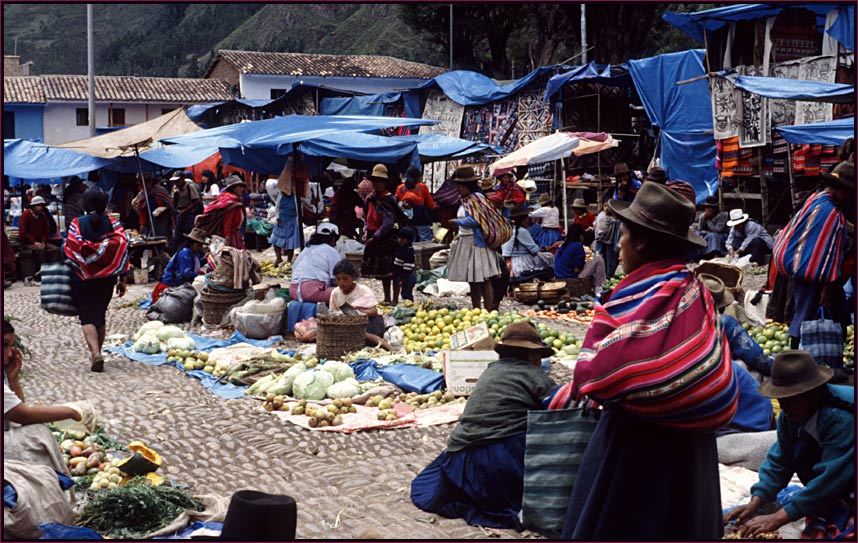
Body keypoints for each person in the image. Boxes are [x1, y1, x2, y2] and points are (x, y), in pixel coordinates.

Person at [551, 182, 738, 539]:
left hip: (636, 448)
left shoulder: (637, 295)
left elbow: (598, 372)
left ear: (641, 242)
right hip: (691, 451)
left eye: (623, 234)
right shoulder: (694, 289)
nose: (618, 244)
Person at [411, 321, 556, 528]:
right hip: (498, 466)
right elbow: (559, 411)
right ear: (533, 357)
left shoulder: (489, 372)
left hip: (459, 463)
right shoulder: (537, 378)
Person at [725, 351, 854, 539]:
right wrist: (757, 500)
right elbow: (780, 459)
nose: (784, 407)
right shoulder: (791, 414)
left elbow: (831, 476)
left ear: (812, 393)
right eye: (781, 399)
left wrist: (779, 517)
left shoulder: (839, 415)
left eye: (791, 400)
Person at [772, 160, 853, 351]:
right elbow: (828, 251)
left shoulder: (817, 199)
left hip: (803, 270)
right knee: (807, 315)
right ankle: (801, 357)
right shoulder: (830, 212)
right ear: (841, 190)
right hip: (814, 275)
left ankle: (803, 357)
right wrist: (827, 285)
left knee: (805, 312)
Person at [63, 188, 130, 372]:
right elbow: (123, 247)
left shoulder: (77, 224)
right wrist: (122, 279)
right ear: (104, 203)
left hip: (81, 278)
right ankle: (98, 352)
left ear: (84, 204)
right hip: (106, 279)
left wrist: (86, 261)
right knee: (99, 315)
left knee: (87, 317)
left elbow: (70, 247)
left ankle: (95, 354)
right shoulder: (114, 224)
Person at [699, 273, 774, 434]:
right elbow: (757, 359)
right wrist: (781, 369)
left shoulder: (684, 323)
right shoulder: (724, 322)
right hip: (732, 398)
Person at [447, 166, 504, 311]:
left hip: (477, 243)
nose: (458, 188)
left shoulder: (477, 198)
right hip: (466, 241)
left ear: (467, 185)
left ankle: (489, 309)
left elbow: (476, 220)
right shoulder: (465, 200)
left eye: (460, 185)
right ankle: (476, 308)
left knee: (483, 279)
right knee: (472, 280)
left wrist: (456, 222)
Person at [361, 164, 404, 305]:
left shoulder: (389, 199)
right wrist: (366, 231)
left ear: (385, 182)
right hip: (374, 235)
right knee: (384, 272)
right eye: (376, 181)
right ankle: (386, 297)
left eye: (381, 181)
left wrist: (376, 236)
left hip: (387, 237)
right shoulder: (370, 199)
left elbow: (388, 222)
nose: (378, 184)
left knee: (393, 270)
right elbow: (366, 217)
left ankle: (395, 299)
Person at [329, 259, 392, 350]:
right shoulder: (335, 293)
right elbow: (333, 312)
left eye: (345, 279)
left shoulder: (363, 290)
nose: (342, 283)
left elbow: (373, 311)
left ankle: (388, 347)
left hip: (370, 322)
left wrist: (357, 313)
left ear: (353, 277)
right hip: (348, 325)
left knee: (362, 335)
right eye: (338, 279)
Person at [151, 228, 207, 305]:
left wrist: (205, 259)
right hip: (170, 286)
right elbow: (186, 274)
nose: (200, 248)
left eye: (201, 246)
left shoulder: (193, 254)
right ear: (191, 243)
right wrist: (203, 277)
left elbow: (194, 265)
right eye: (198, 245)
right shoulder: (186, 252)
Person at [288, 222, 341, 304]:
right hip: (311, 292)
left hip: (293, 291)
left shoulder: (306, 249)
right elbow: (337, 278)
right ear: (333, 238)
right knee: (348, 292)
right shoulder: (331, 251)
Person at [195, 174, 247, 249]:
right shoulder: (232, 204)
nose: (242, 189)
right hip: (230, 236)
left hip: (221, 235)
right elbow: (228, 222)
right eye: (239, 187)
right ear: (233, 188)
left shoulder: (224, 199)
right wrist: (227, 239)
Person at [502, 205, 553, 281]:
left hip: (510, 263)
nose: (528, 221)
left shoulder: (508, 229)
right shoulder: (522, 231)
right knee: (550, 258)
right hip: (521, 263)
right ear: (521, 220)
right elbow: (534, 250)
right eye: (526, 218)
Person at [554, 225, 607, 291]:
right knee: (598, 259)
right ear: (581, 236)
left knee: (591, 262)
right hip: (572, 278)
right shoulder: (577, 245)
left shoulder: (562, 246)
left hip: (559, 277)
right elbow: (577, 269)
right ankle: (599, 289)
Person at [18, 195, 61, 270]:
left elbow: (45, 231)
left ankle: (53, 270)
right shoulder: (25, 215)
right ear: (33, 206)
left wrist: (43, 242)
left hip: (40, 242)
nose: (40, 207)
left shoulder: (43, 216)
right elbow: (23, 232)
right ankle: (41, 272)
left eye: (42, 205)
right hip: (27, 243)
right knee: (40, 251)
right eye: (38, 205)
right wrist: (34, 242)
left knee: (55, 249)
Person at [395, 167, 437, 242]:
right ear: (418, 177)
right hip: (421, 219)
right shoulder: (422, 187)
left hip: (406, 220)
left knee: (409, 242)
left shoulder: (399, 188)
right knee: (425, 243)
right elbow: (430, 205)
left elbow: (397, 204)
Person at [268, 180, 303, 266]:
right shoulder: (280, 196)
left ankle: (289, 261)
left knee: (290, 243)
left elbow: (300, 209)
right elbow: (277, 207)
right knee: (275, 239)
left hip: (292, 221)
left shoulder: (295, 197)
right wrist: (277, 218)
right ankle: (278, 258)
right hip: (281, 220)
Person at [132, 175, 175, 239]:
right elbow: (136, 204)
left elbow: (169, 204)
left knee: (162, 238)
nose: (144, 184)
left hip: (161, 220)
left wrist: (162, 209)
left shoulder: (160, 190)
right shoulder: (143, 192)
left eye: (147, 181)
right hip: (148, 219)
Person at [171, 170, 202, 253]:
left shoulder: (190, 186)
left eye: (177, 181)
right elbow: (173, 203)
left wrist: (185, 210)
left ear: (182, 179)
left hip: (189, 214)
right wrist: (176, 197)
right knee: (177, 237)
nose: (176, 183)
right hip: (179, 213)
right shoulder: (175, 188)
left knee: (190, 236)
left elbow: (196, 201)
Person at [593, 202, 620, 277]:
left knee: (610, 260)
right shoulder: (601, 215)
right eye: (605, 206)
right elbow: (596, 223)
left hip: (609, 241)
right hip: (599, 240)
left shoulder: (615, 219)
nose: (606, 208)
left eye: (608, 206)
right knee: (599, 257)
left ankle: (609, 275)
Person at [392, 226, 417, 305]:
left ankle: (410, 305)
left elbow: (407, 267)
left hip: (407, 276)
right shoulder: (402, 249)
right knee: (404, 293)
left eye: (402, 239)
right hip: (402, 275)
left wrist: (403, 279)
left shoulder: (408, 251)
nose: (399, 240)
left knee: (406, 293)